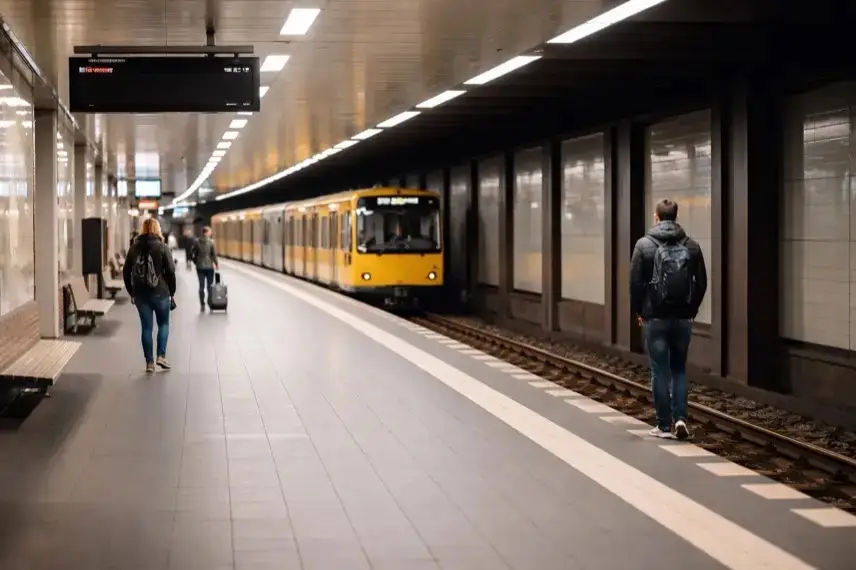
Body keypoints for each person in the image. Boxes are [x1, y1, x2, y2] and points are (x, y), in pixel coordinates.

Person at [630, 199, 707, 440]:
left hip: (655, 318)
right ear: (677, 215)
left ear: (656, 217)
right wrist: (691, 310)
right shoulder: (692, 245)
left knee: (659, 370)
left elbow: (635, 283)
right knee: (679, 370)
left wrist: (639, 312)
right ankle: (681, 419)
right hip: (682, 318)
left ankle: (664, 425)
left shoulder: (643, 245)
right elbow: (702, 283)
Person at [123, 218, 176, 373]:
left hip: (141, 295)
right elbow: (171, 271)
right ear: (157, 229)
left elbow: (126, 272)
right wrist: (171, 292)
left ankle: (149, 363)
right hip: (161, 293)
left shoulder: (134, 248)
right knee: (164, 324)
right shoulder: (162, 247)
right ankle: (161, 355)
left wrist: (131, 292)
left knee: (146, 328)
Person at [190, 226, 219, 311]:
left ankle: (202, 303)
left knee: (201, 286)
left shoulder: (196, 242)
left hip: (200, 267)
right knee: (210, 285)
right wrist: (216, 264)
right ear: (206, 232)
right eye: (210, 232)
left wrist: (196, 261)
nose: (211, 233)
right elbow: (214, 254)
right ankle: (210, 302)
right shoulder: (211, 242)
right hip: (209, 266)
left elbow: (191, 253)